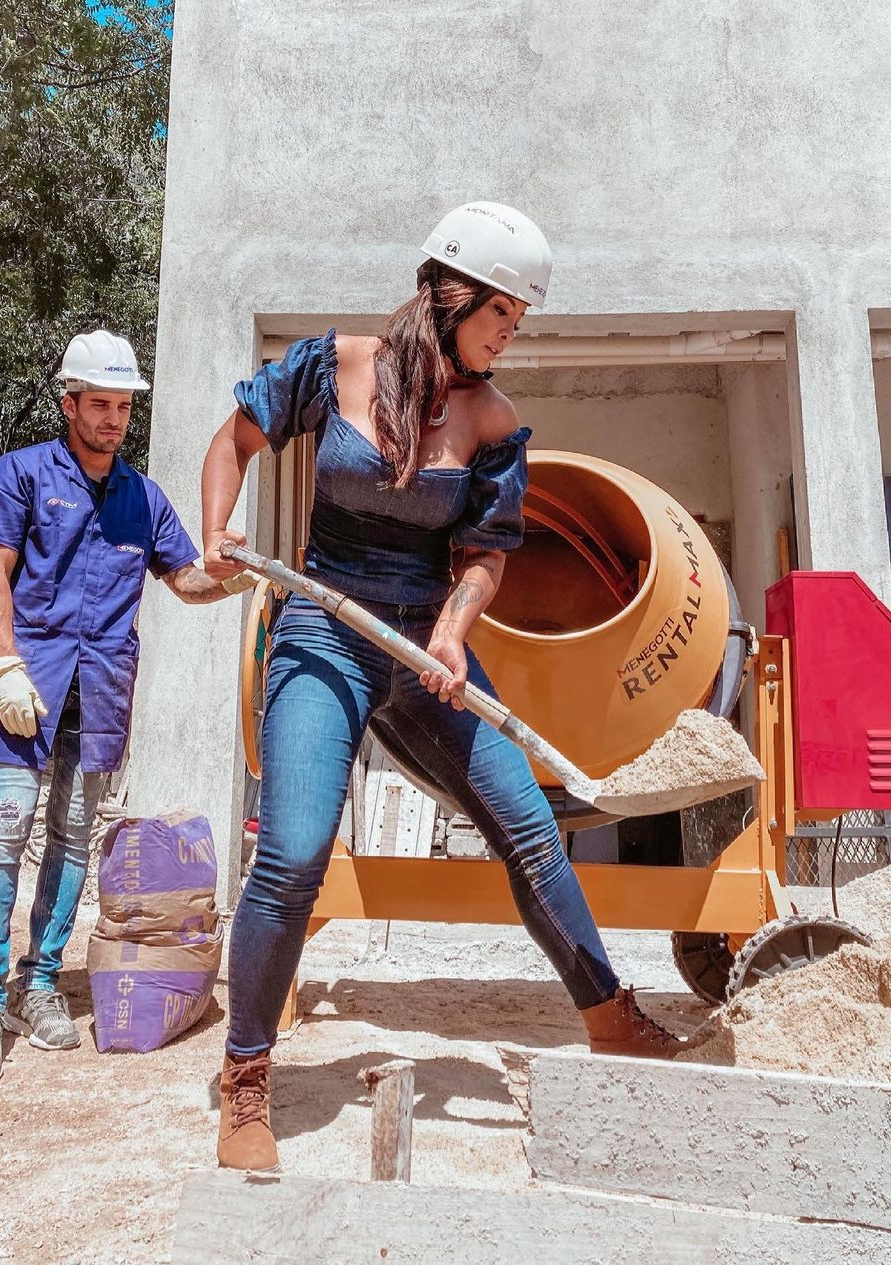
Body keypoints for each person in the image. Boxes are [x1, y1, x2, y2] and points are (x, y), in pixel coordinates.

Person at [202, 202, 680, 1172]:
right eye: (501, 311)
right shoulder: (331, 365)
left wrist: (454, 637)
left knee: (533, 830)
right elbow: (234, 442)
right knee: (292, 854)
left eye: (518, 318)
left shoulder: (493, 421)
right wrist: (217, 530)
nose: (509, 333)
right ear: (449, 293)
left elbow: (483, 555)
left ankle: (611, 1017)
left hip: (426, 643)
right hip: (322, 630)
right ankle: (245, 1076)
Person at [0, 330, 255, 1087]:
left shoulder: (142, 498)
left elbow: (185, 580)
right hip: (24, 686)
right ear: (69, 403)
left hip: (101, 692)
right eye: (101, 404)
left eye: (123, 406)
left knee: (74, 838)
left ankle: (39, 982)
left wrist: (234, 576)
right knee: (4, 833)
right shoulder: (20, 475)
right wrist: (7, 664)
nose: (114, 418)